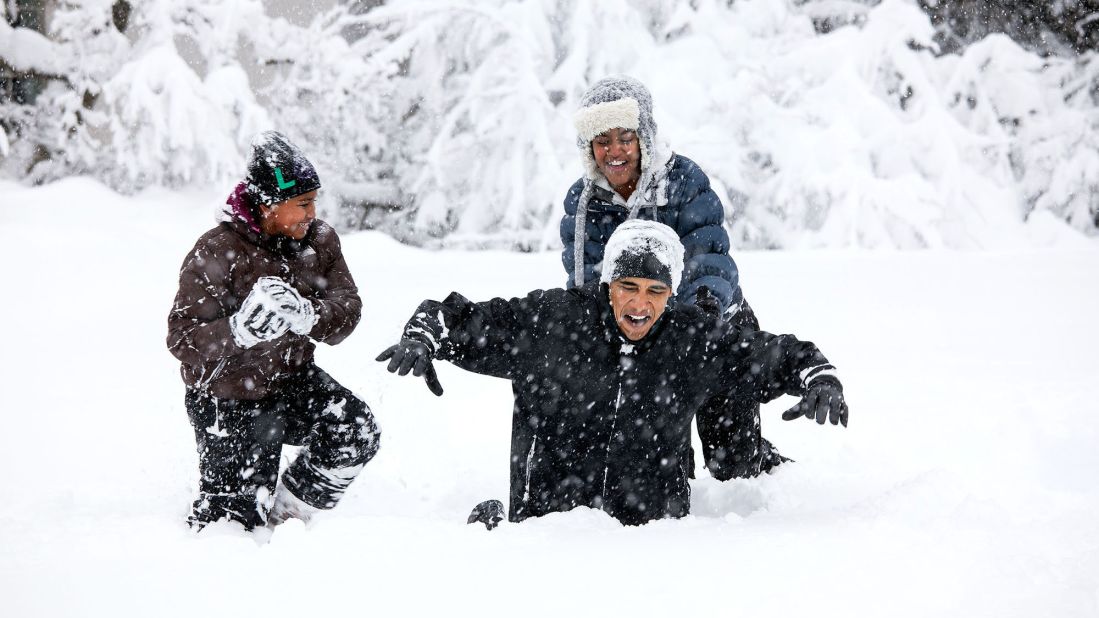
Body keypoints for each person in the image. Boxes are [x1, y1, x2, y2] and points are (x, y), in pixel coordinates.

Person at [379, 220, 846, 527]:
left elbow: (776, 354)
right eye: (628, 287)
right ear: (608, 286)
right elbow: (462, 319)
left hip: (652, 545)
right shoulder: (554, 321)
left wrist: (818, 377)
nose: (640, 304)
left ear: (671, 294)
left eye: (655, 291)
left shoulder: (691, 340)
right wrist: (425, 336)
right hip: (546, 535)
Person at [560, 75, 778, 482]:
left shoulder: (683, 181)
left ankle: (762, 459)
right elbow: (586, 278)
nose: (614, 151)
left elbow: (708, 253)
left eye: (624, 137)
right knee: (664, 467)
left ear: (643, 137)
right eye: (602, 141)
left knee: (732, 466)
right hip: (643, 336)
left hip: (712, 324)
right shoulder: (582, 200)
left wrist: (702, 311)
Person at [167, 131, 380, 532]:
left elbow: (348, 308)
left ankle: (288, 514)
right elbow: (181, 338)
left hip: (292, 380)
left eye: (314, 200)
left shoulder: (320, 241)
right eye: (301, 203)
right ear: (267, 204)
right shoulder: (216, 251)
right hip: (227, 398)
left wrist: (309, 315)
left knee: (355, 432)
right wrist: (237, 332)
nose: (312, 213)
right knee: (232, 528)